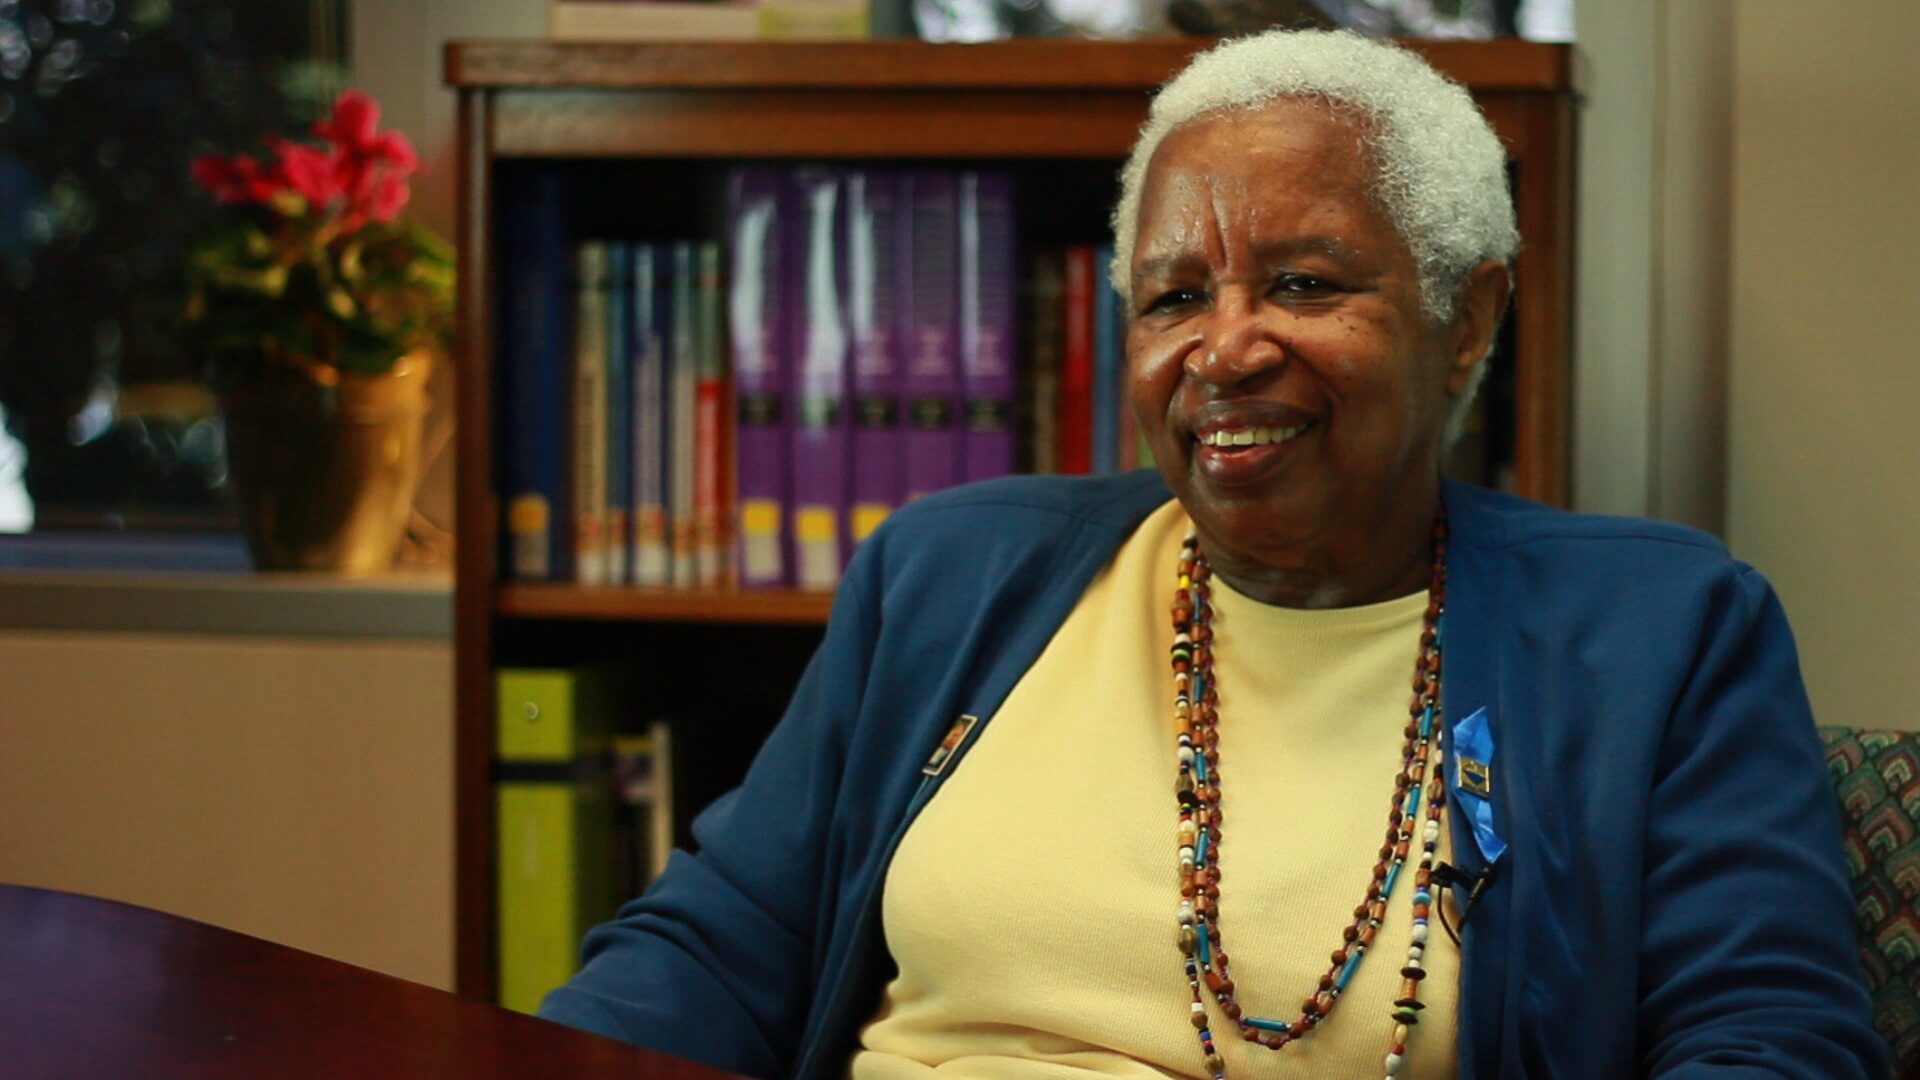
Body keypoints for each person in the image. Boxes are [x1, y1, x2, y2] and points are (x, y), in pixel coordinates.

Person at [538, 29, 1885, 1080]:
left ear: (1466, 319)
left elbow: (1771, 1040)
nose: (1225, 349)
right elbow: (714, 953)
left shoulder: (1662, 632)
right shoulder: (948, 578)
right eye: (1176, 296)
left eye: (1304, 284)